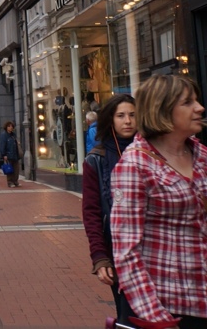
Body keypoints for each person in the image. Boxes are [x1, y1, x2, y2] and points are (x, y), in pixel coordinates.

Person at [112, 75, 207, 328]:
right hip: (168, 306)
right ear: (162, 110)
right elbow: (126, 251)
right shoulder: (135, 164)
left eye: (196, 100)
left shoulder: (201, 154)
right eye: (187, 102)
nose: (199, 108)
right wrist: (156, 318)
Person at [81, 93, 137, 325]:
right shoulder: (96, 159)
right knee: (129, 315)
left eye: (132, 115)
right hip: (117, 249)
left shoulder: (152, 151)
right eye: (121, 115)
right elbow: (91, 212)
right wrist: (100, 257)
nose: (128, 121)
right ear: (110, 120)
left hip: (152, 248)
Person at [0, 121, 21, 188]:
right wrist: (4, 154)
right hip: (8, 154)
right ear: (6, 127)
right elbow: (2, 145)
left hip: (15, 154)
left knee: (16, 169)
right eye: (9, 126)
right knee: (9, 169)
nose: (11, 127)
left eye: (11, 126)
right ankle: (10, 182)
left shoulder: (13, 135)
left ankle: (15, 181)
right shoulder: (4, 135)